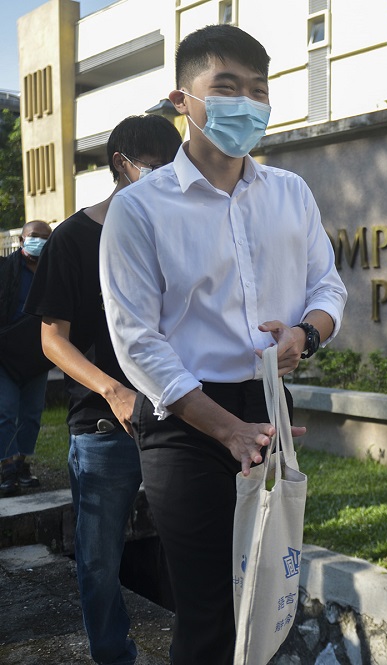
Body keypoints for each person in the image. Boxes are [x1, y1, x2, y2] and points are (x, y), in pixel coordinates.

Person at [99, 24, 347, 664]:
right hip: (185, 423)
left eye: (258, 90)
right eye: (227, 87)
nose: (247, 103)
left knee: (270, 601)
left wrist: (304, 335)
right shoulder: (141, 208)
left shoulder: (290, 193)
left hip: (267, 408)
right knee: (209, 612)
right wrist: (226, 429)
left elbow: (328, 287)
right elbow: (136, 340)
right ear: (183, 99)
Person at [25, 114, 182, 665]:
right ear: (122, 165)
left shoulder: (176, 232)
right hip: (102, 425)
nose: (171, 181)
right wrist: (114, 391)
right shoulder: (71, 240)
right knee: (97, 560)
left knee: (190, 548)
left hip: (179, 414)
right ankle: (114, 656)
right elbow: (52, 340)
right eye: (159, 169)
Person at [0, 220, 52, 496]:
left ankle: (21, 463)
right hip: (6, 353)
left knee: (31, 414)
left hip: (38, 354)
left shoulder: (53, 272)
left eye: (45, 238)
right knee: (6, 411)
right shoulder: (5, 270)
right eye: (33, 236)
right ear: (21, 240)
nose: (39, 242)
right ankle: (7, 467)